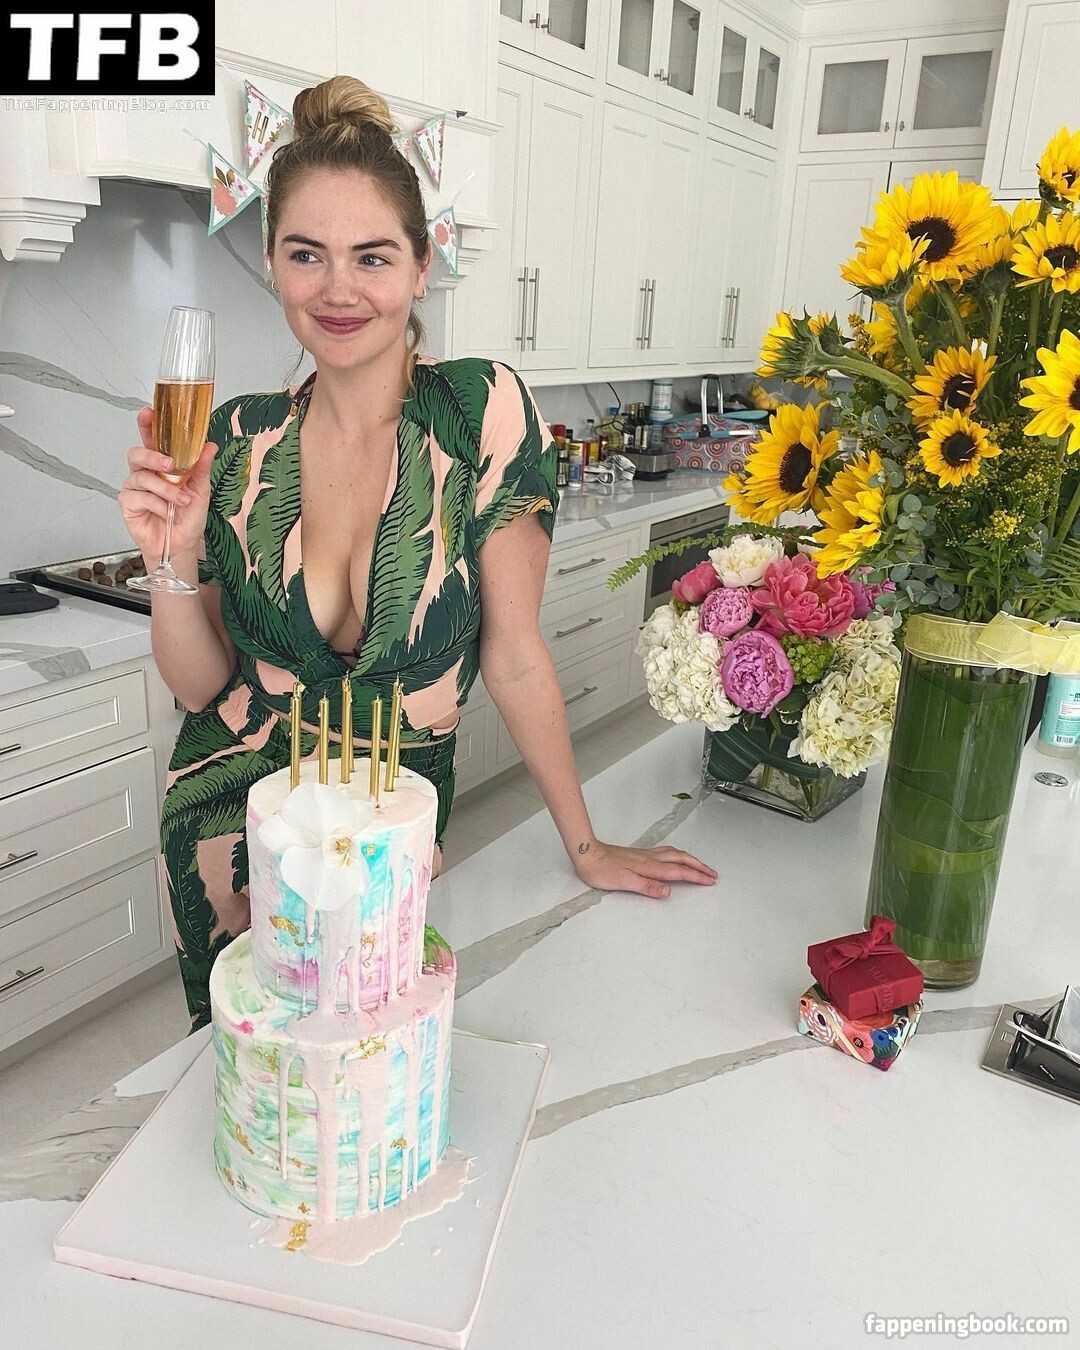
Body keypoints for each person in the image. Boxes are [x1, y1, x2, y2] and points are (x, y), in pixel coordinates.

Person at [119, 75, 717, 1032]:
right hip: (231, 817)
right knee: (254, 1075)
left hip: (388, 823)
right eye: (306, 255)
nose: (338, 289)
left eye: (372, 256)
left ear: (421, 265)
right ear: (272, 265)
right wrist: (172, 559)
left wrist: (587, 845)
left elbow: (513, 656)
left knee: (367, 1056)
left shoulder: (481, 411)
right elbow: (200, 688)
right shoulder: (235, 437)